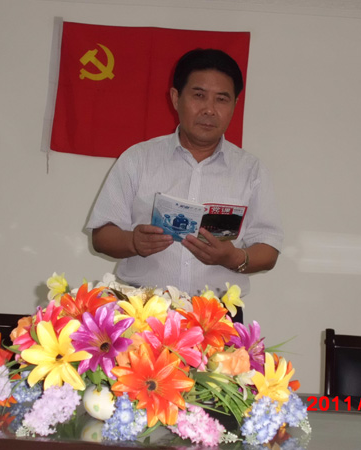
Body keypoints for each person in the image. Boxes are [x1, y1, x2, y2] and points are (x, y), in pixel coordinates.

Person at [86, 49, 283, 320]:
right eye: (199, 95)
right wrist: (133, 242)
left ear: (235, 105)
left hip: (217, 316)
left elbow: (269, 249)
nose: (209, 109)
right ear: (176, 97)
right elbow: (101, 235)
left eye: (221, 99)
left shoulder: (251, 170)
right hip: (142, 311)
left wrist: (232, 258)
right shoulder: (138, 159)